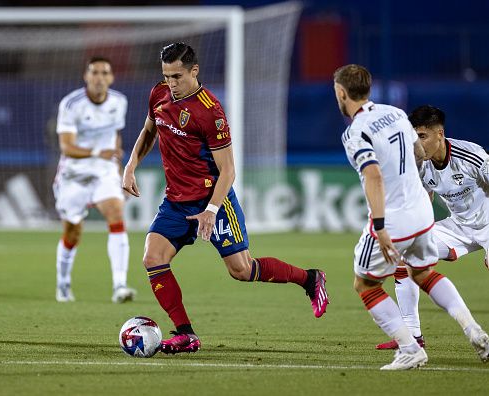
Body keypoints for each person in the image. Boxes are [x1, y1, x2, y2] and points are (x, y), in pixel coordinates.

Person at [122, 42, 329, 354]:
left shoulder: (210, 112)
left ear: (194, 71)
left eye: (177, 76)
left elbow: (228, 170)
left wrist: (211, 209)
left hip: (213, 199)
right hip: (176, 202)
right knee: (153, 258)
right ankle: (185, 333)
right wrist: (131, 165)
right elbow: (150, 129)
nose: (172, 84)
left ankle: (310, 279)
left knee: (241, 271)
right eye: (166, 76)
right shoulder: (159, 94)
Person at [334, 64, 489, 370]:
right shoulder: (394, 113)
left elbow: (374, 176)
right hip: (423, 213)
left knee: (365, 285)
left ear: (341, 93)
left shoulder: (354, 132)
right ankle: (467, 331)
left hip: (396, 216)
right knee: (420, 272)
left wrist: (379, 226)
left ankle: (409, 348)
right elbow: (418, 151)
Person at [376, 105, 489, 350]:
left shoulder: (472, 156)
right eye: (413, 137)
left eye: (423, 137)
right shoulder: (419, 163)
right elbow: (422, 202)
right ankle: (412, 336)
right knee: (403, 256)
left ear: (440, 134)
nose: (417, 143)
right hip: (458, 227)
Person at [53, 56, 136, 304]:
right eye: (94, 73)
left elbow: (115, 135)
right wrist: (95, 152)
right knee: (72, 231)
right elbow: (66, 147)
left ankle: (119, 285)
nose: (99, 77)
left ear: (111, 77)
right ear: (86, 77)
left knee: (115, 213)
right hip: (74, 174)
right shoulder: (71, 104)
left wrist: (121, 171)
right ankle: (63, 283)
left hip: (104, 171)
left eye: (104, 73)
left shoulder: (120, 102)